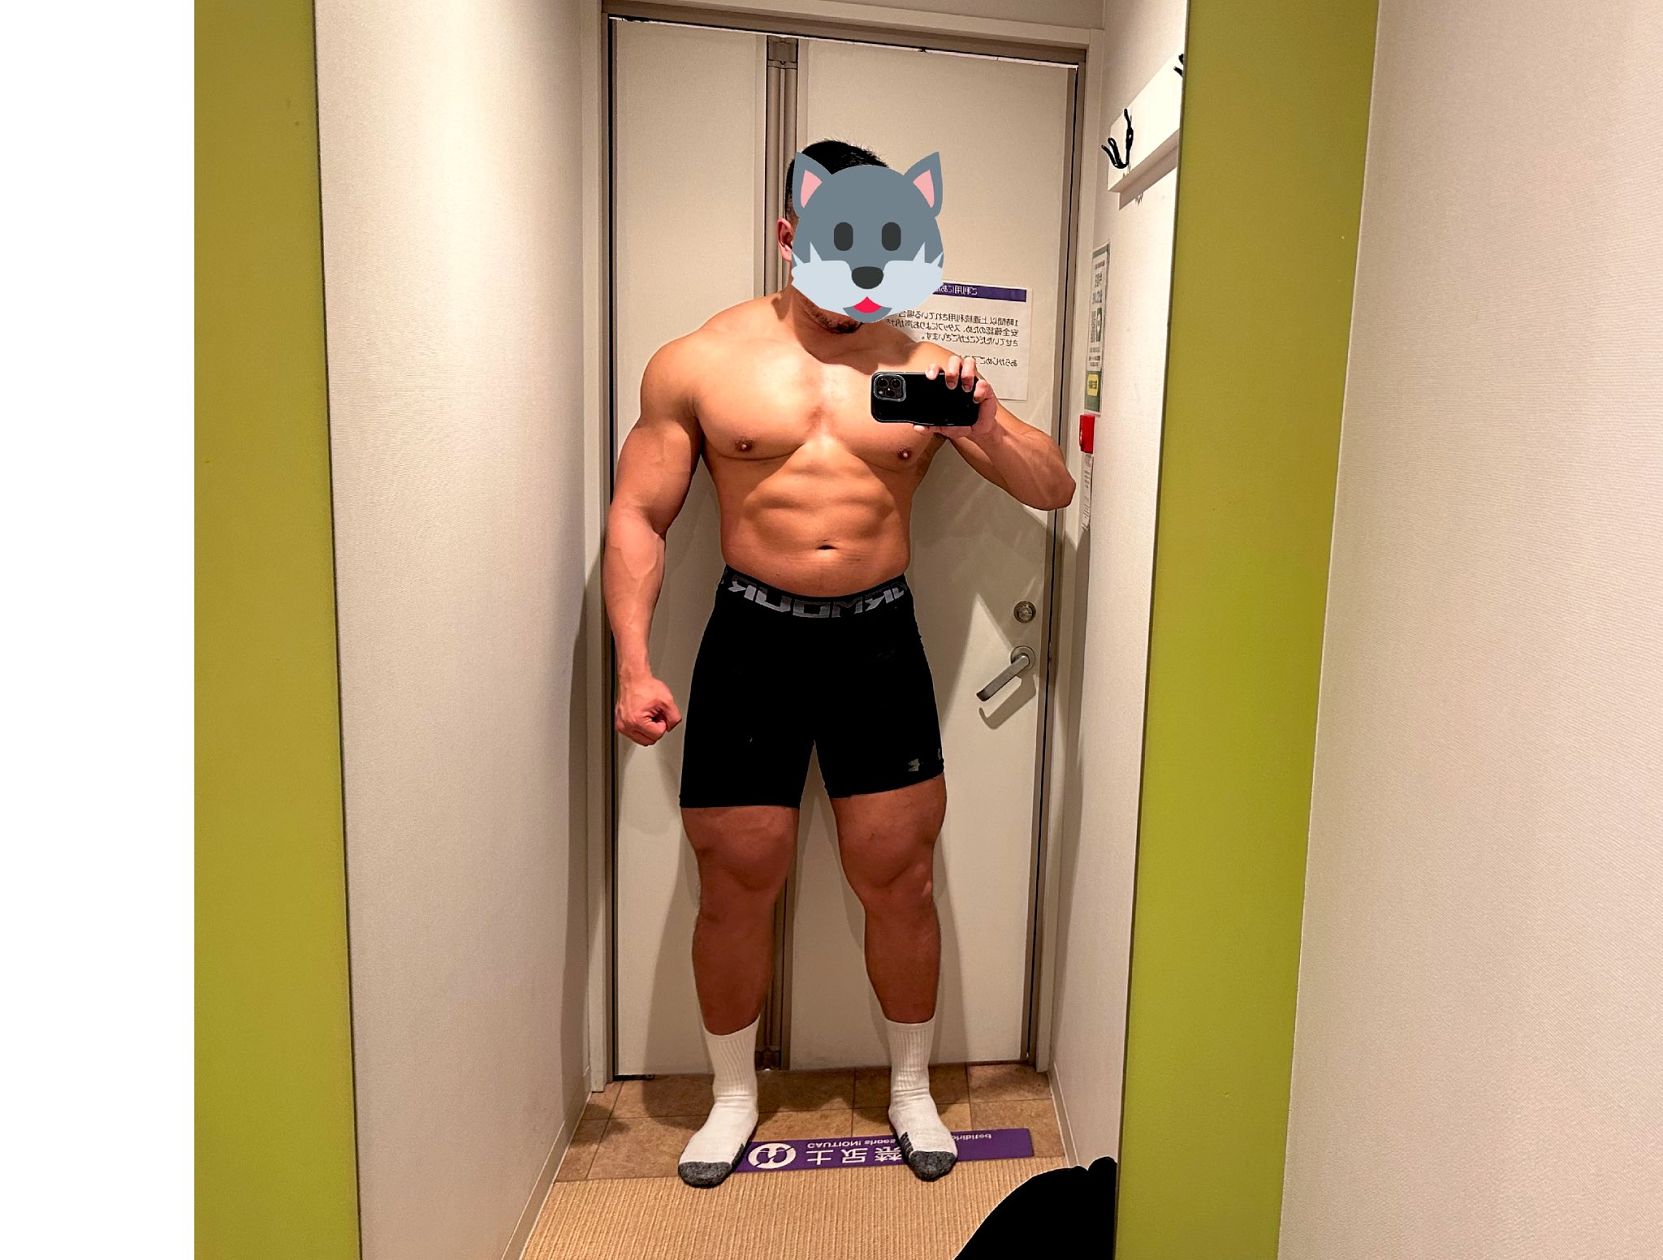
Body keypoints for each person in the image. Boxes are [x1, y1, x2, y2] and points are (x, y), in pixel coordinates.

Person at [603, 138, 1074, 1189]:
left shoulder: (920, 371)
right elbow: (637, 513)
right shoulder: (701, 361)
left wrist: (982, 420)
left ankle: (909, 1091)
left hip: (877, 639)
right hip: (751, 638)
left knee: (899, 879)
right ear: (791, 233)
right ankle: (733, 1097)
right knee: (735, 881)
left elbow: (1052, 488)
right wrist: (634, 664)